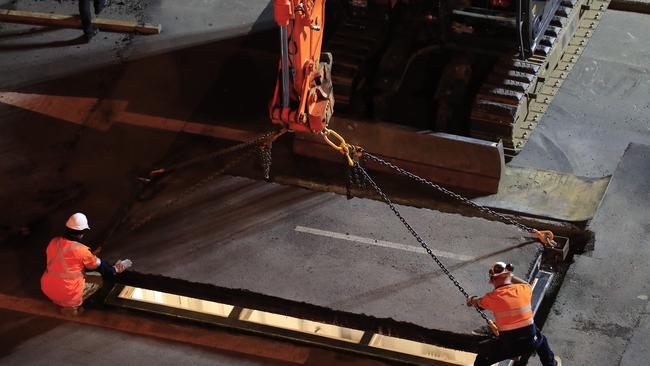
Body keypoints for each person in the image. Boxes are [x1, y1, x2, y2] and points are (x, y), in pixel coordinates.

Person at [466, 261, 562, 366]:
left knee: (482, 359)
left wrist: (471, 299)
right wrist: (510, 276)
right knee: (541, 339)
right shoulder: (524, 289)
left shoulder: (491, 297)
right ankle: (551, 364)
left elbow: (477, 303)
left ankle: (514, 354)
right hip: (531, 342)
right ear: (509, 275)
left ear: (491, 280)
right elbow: (525, 284)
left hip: (509, 347)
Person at [41, 212, 132, 316]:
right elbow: (99, 266)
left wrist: (88, 256)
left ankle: (58, 299)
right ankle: (70, 307)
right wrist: (115, 269)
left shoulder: (54, 242)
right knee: (98, 278)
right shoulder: (81, 250)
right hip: (66, 292)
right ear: (83, 232)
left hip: (47, 287)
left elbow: (66, 259)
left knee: (71, 274)